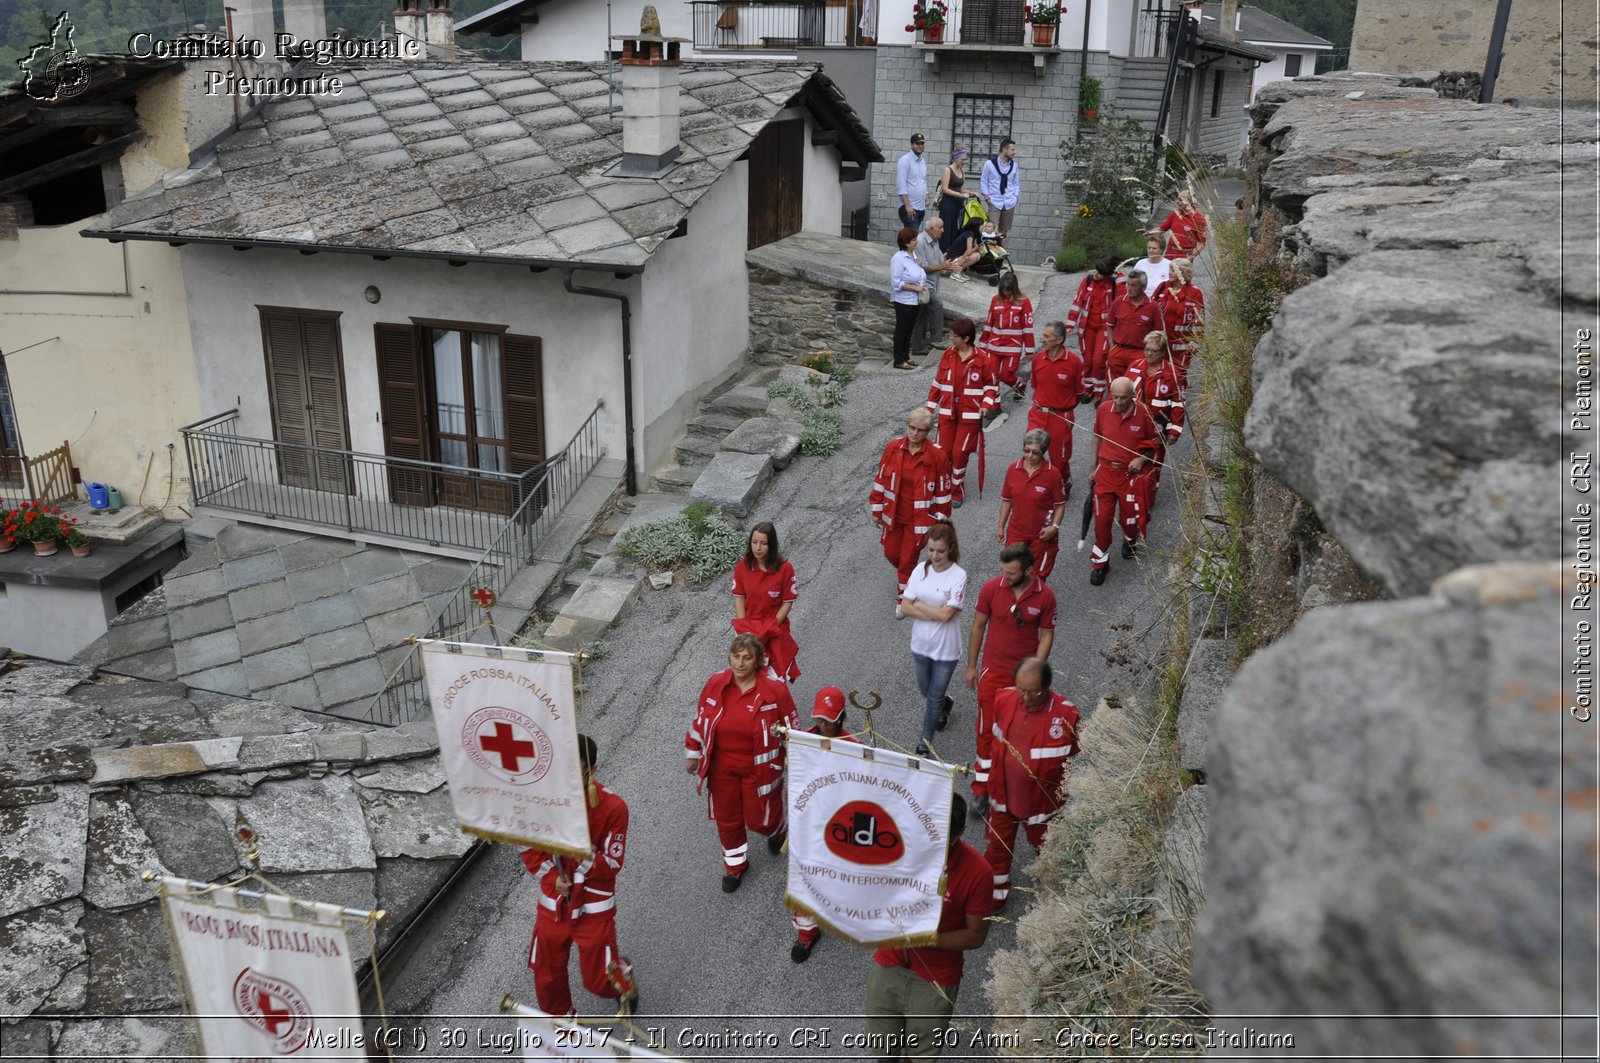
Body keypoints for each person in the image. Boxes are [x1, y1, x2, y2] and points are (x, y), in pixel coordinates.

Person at [864, 793, 992, 1061]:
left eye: (942, 842)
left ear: (961, 833)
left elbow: (976, 935)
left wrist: (925, 939)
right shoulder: (900, 848)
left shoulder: (979, 872)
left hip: (936, 978)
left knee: (920, 1056)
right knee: (883, 1049)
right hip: (889, 962)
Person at [522, 734, 639, 1017]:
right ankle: (565, 1030)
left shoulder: (614, 808)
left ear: (592, 770)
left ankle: (623, 976)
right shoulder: (540, 803)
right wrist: (553, 880)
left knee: (599, 982)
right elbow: (529, 849)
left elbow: (612, 863)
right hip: (555, 903)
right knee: (546, 977)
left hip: (592, 905)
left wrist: (581, 852)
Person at [685, 634, 799, 892]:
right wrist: (693, 752)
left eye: (747, 657)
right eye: (736, 656)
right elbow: (699, 720)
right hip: (721, 769)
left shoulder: (775, 691)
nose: (740, 663)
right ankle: (735, 865)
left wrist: (800, 761)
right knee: (727, 819)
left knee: (760, 820)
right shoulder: (716, 683)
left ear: (758, 661)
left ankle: (777, 829)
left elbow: (794, 729)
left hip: (760, 771)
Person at [963, 543, 1056, 809]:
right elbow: (978, 626)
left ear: (1029, 570)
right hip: (993, 673)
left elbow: (1047, 634)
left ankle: (1010, 784)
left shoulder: (1046, 597)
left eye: (1012, 573)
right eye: (1003, 571)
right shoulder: (991, 588)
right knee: (985, 731)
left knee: (1019, 732)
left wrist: (1035, 671)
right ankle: (982, 789)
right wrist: (972, 667)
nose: (1005, 578)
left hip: (1022, 681)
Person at [984, 658, 1080, 907]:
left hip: (1041, 807)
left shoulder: (1066, 715)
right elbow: (990, 743)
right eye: (1021, 690)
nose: (1025, 697)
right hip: (1002, 797)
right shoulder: (1003, 699)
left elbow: (1074, 755)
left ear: (1047, 688)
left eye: (1032, 692)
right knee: (997, 848)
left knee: (1048, 851)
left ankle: (1057, 896)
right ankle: (995, 896)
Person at [791, 686, 857, 963]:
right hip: (807, 824)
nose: (823, 725)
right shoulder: (801, 740)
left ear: (841, 717)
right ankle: (807, 932)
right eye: (819, 718)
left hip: (840, 826)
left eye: (828, 720)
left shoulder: (855, 747)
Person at [898, 521, 966, 757]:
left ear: (950, 549)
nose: (935, 556)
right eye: (931, 550)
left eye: (940, 551)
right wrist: (932, 611)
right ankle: (944, 703)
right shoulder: (920, 570)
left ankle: (924, 744)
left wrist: (919, 606)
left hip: (946, 649)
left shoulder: (958, 575)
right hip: (921, 645)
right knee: (926, 691)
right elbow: (905, 606)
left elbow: (948, 615)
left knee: (933, 698)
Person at [870, 408, 954, 597]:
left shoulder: (937, 456)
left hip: (920, 521)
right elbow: (881, 479)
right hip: (893, 516)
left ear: (928, 432)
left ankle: (905, 596)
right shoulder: (893, 447)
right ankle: (911, 576)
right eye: (912, 427)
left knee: (907, 559)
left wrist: (941, 520)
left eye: (921, 430)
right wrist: (876, 509)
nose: (915, 433)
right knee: (891, 554)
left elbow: (943, 490)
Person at [1087, 377, 1159, 586]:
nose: (1118, 402)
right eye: (1115, 396)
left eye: (1123, 398)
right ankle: (1100, 563)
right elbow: (1096, 437)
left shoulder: (1144, 413)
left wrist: (1141, 458)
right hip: (1106, 473)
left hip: (1130, 476)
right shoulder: (1103, 409)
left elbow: (1156, 441)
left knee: (1130, 519)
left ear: (1133, 397)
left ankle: (1130, 539)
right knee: (1102, 521)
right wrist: (1093, 468)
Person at [925, 318, 995, 508]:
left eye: (954, 336)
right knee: (943, 453)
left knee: (959, 453)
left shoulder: (983, 358)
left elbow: (991, 385)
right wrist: (929, 409)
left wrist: (986, 405)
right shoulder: (948, 355)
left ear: (965, 338)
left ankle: (956, 491)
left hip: (970, 416)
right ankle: (942, 487)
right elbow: (938, 383)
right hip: (948, 413)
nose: (951, 338)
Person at [731, 521, 800, 684]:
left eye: (763, 543)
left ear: (772, 545)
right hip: (748, 628)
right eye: (754, 542)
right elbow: (739, 598)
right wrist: (743, 629)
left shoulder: (785, 569)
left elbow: (787, 602)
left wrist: (770, 627)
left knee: (775, 677)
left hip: (775, 628)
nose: (757, 548)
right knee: (746, 673)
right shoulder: (742, 566)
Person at [996, 430, 1067, 581]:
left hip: (1042, 535)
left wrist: (1054, 527)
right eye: (1026, 451)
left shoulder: (1052, 474)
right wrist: (1001, 526)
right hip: (1017, 531)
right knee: (1012, 573)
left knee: (1036, 578)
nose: (1029, 456)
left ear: (1044, 452)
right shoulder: (1013, 469)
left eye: (1035, 452)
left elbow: (1060, 505)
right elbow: (1007, 500)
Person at [1131, 331, 1184, 525]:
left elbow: (1178, 403)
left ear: (1163, 352)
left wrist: (1175, 430)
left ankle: (1146, 503)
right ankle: (1131, 496)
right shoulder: (1135, 368)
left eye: (1154, 350)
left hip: (1157, 429)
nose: (1149, 354)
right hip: (1133, 426)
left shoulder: (1172, 374)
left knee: (1152, 467)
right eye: (1147, 349)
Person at [1027, 320, 1090, 482]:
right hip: (1038, 414)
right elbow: (1035, 385)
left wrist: (1063, 408)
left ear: (1059, 340)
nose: (1043, 339)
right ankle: (1037, 483)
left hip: (1061, 418)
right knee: (1032, 451)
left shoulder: (1074, 362)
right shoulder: (1038, 359)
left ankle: (1063, 482)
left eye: (1047, 337)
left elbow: (1079, 393)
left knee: (1059, 460)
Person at [912, 217, 977, 360]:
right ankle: (936, 340)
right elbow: (923, 268)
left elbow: (942, 262)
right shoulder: (920, 242)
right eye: (940, 227)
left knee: (921, 315)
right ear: (930, 229)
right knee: (937, 305)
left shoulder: (935, 241)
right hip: (923, 285)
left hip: (932, 284)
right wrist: (943, 266)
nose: (943, 230)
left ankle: (916, 347)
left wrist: (952, 264)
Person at [1067, 256, 1120, 401]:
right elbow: (1077, 301)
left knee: (1098, 360)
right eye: (1096, 271)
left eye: (1100, 273)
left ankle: (1098, 392)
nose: (1096, 275)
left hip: (1104, 329)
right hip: (1087, 327)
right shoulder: (1088, 280)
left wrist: (1120, 273)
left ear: (1108, 275)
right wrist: (1071, 323)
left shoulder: (1113, 284)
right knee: (1088, 360)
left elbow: (1121, 299)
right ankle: (1088, 389)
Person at [977, 271, 1035, 401]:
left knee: (1007, 376)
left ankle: (1020, 385)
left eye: (1008, 290)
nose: (1005, 293)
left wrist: (1029, 349)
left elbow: (1028, 327)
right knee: (991, 376)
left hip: (1013, 347)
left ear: (1014, 289)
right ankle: (993, 405)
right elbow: (989, 323)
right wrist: (983, 344)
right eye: (1003, 290)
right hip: (994, 345)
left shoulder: (1024, 301)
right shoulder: (995, 300)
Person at [1101, 268, 1163, 387]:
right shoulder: (1118, 302)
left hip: (1139, 352)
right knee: (1115, 386)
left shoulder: (1153, 307)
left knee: (1136, 386)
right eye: (1128, 284)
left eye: (1134, 285)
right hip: (1118, 351)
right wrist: (1112, 348)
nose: (1129, 288)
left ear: (1143, 287)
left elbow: (1158, 334)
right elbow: (1110, 326)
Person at [1156, 257, 1204, 383]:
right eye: (1169, 269)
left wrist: (1196, 342)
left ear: (1183, 272)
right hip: (1162, 342)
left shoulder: (1195, 293)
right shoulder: (1162, 288)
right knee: (1161, 374)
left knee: (1177, 376)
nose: (1170, 272)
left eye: (1173, 269)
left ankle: (1179, 399)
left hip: (1182, 345)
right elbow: (1151, 309)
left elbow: (1199, 320)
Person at [889, 227, 928, 370]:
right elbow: (896, 283)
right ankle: (898, 360)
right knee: (902, 329)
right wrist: (914, 288)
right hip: (903, 300)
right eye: (913, 240)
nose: (916, 242)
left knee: (909, 329)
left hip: (914, 300)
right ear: (906, 243)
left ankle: (905, 356)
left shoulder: (913, 255)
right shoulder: (898, 258)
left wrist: (920, 266)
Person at [1142, 188, 1207, 259]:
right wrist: (1149, 232)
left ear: (1189, 202)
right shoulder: (1175, 213)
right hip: (1170, 253)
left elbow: (1201, 244)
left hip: (1185, 256)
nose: (1176, 201)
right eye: (1177, 199)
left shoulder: (1199, 218)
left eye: (1180, 200)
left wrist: (1191, 256)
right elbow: (1161, 229)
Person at [937, 147, 977, 253]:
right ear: (956, 158)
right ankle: (943, 251)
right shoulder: (948, 170)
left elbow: (961, 188)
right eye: (962, 160)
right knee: (946, 229)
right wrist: (960, 195)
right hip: (947, 204)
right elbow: (945, 189)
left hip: (957, 204)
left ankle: (951, 252)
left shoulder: (962, 171)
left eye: (965, 160)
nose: (964, 162)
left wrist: (970, 192)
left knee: (955, 228)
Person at [979, 138, 1020, 240]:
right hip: (994, 201)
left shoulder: (1014, 165)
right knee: (991, 230)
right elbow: (984, 181)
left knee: (1004, 232)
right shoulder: (989, 164)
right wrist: (987, 197)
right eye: (1012, 150)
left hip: (1009, 202)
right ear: (1004, 149)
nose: (1015, 152)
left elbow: (1016, 183)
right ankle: (991, 254)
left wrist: (1015, 196)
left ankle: (1001, 253)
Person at [896, 132, 928, 228]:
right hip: (910, 208)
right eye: (917, 144)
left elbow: (923, 180)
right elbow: (900, 185)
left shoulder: (922, 161)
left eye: (922, 144)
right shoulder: (905, 160)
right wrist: (907, 206)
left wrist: (927, 196)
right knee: (912, 238)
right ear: (911, 145)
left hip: (921, 207)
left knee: (911, 238)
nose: (920, 146)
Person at [1128, 234, 1172, 299]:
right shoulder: (1140, 264)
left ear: (1161, 250)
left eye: (1154, 248)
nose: (1150, 251)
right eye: (1149, 248)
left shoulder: (1169, 264)